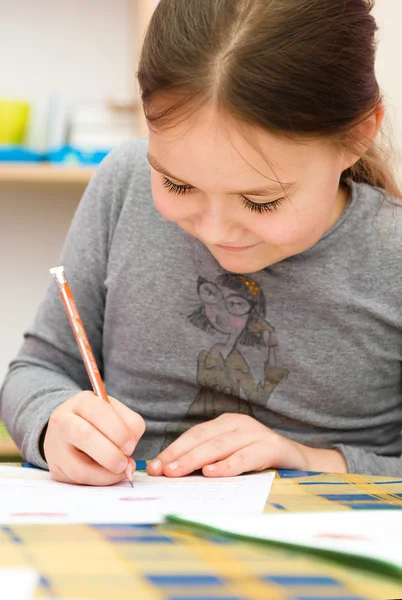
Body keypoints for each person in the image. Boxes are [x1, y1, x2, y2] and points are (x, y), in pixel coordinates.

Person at [1, 0, 401, 486]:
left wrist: (306, 458)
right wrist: (53, 423)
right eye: (177, 185)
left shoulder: (392, 253)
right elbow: (38, 370)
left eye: (260, 202)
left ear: (357, 136)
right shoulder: (123, 185)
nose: (215, 231)